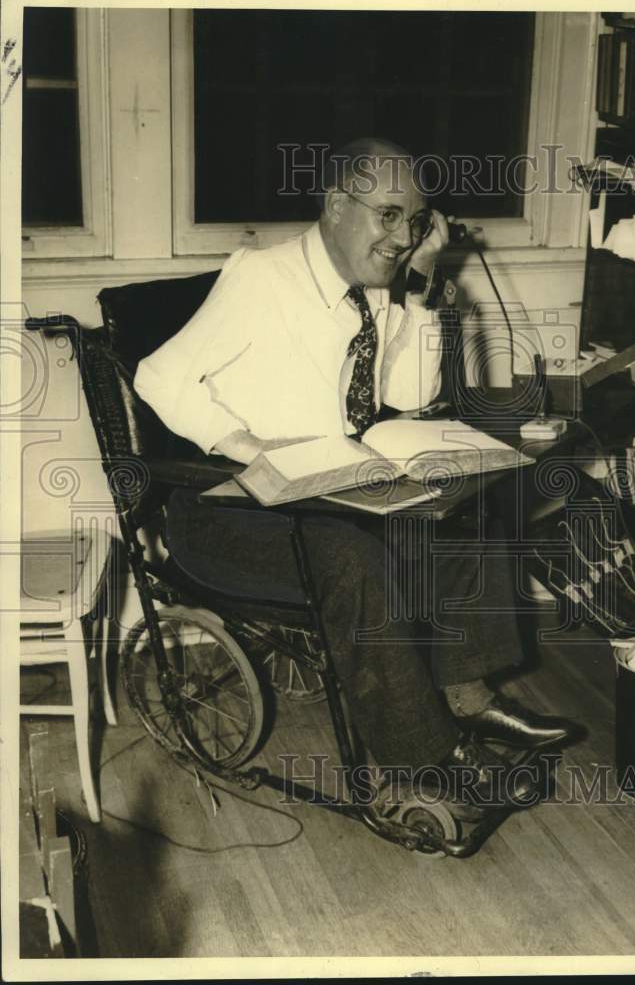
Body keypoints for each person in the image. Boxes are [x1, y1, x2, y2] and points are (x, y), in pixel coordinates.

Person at [134, 138, 584, 805]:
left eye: (416, 220)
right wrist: (250, 445)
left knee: (464, 514)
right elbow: (157, 377)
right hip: (224, 510)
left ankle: (468, 692)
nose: (403, 237)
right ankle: (426, 754)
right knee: (353, 557)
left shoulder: (373, 285)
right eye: (389, 216)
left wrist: (422, 289)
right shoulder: (263, 278)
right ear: (337, 205)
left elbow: (409, 390)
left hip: (327, 493)